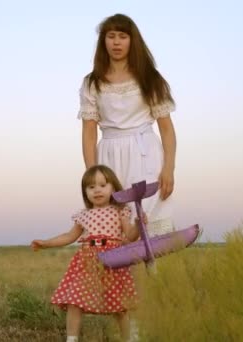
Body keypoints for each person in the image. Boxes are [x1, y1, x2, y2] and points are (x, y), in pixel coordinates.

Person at [79, 13, 178, 238]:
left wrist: (169, 168)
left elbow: (166, 128)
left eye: (122, 36)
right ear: (103, 41)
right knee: (112, 224)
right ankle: (117, 274)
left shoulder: (149, 78)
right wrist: (92, 173)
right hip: (109, 156)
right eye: (111, 36)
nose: (116, 42)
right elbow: (88, 132)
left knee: (150, 225)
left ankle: (154, 274)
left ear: (132, 40)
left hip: (146, 154)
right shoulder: (92, 82)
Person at [31, 165, 140, 342]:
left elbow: (130, 236)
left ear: (113, 187)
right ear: (85, 192)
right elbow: (69, 236)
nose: (97, 190)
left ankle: (130, 339)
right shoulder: (84, 215)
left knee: (121, 308)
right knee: (75, 301)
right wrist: (46, 243)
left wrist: (138, 225)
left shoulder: (121, 211)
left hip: (114, 262)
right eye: (91, 187)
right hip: (87, 263)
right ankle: (71, 339)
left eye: (103, 185)